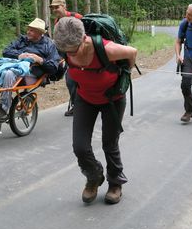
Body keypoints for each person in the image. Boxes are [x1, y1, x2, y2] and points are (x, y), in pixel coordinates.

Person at [53, 16, 137, 205]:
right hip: (85, 98)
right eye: (65, 51)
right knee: (80, 147)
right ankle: (94, 176)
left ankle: (115, 183)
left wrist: (125, 74)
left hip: (112, 99)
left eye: (73, 50)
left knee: (109, 143)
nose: (70, 54)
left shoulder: (106, 49)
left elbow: (132, 52)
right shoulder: (65, 49)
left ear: (84, 39)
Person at [0, 18, 61, 123]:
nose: (27, 32)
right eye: (28, 29)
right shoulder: (22, 39)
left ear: (39, 33)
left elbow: (53, 67)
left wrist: (39, 60)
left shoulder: (49, 45)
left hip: (31, 72)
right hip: (11, 65)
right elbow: (6, 51)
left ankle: (3, 108)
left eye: (31, 30)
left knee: (9, 73)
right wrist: (18, 55)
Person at [50, 0, 83, 117]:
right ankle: (76, 106)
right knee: (70, 81)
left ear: (64, 6)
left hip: (82, 54)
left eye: (56, 7)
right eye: (52, 8)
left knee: (81, 80)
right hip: (69, 56)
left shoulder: (77, 17)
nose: (54, 9)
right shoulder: (57, 21)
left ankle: (88, 104)